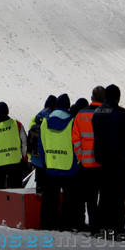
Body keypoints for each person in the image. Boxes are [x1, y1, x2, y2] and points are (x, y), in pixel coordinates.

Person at [91, 84, 125, 239]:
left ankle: (103, 227)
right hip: (118, 160)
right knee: (119, 194)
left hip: (101, 160)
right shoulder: (120, 112)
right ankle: (118, 229)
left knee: (104, 195)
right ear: (118, 97)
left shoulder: (97, 113)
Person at [35, 94, 78, 231]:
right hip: (68, 166)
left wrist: (44, 162)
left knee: (49, 198)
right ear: (68, 106)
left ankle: (47, 223)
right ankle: (66, 224)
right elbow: (76, 144)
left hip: (51, 165)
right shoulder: (72, 121)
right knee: (68, 198)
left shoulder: (45, 122)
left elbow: (41, 146)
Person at [71, 86, 105, 234]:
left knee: (90, 198)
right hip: (103, 163)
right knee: (105, 197)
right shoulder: (107, 113)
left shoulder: (80, 114)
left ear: (92, 98)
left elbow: (75, 140)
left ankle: (93, 227)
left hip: (86, 164)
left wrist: (81, 156)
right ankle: (103, 225)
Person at [0, 102, 26, 193]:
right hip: (15, 161)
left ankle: (0, 207)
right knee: (16, 190)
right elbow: (24, 142)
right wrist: (24, 157)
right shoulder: (17, 124)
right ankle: (15, 207)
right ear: (7, 111)